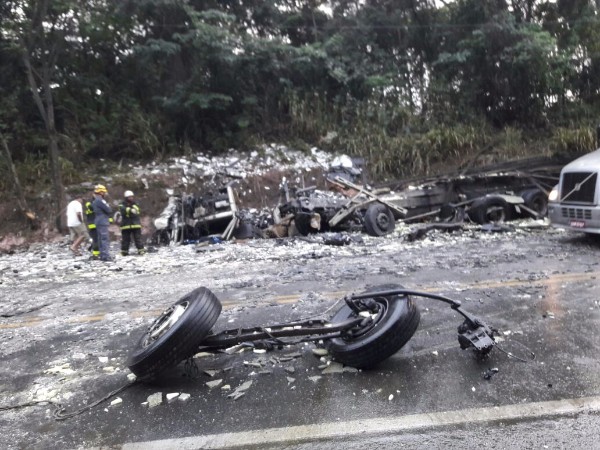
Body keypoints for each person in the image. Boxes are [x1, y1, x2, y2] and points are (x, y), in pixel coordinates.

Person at [117, 190, 145, 256]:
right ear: (126, 197)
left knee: (138, 238)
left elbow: (137, 210)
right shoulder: (121, 204)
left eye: (132, 197)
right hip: (126, 225)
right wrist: (130, 210)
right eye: (129, 197)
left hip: (135, 225)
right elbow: (122, 210)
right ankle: (124, 252)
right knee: (125, 239)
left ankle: (141, 250)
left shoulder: (135, 203)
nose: (131, 198)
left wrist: (129, 211)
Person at [92, 184, 113, 262]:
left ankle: (102, 255)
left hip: (98, 221)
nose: (105, 194)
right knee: (104, 239)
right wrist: (108, 206)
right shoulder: (100, 201)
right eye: (104, 192)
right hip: (102, 221)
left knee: (100, 239)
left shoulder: (95, 200)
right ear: (101, 192)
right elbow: (108, 210)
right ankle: (105, 256)